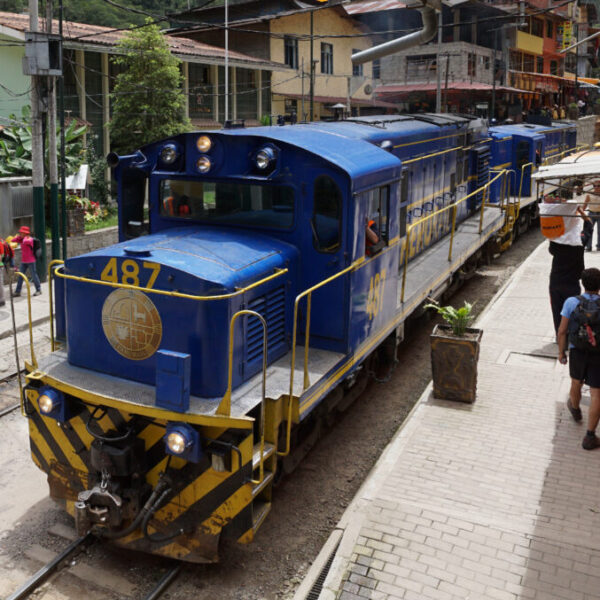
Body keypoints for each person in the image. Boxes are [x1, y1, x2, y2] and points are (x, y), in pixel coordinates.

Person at [558, 267, 600, 450]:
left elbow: (562, 330)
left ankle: (575, 410)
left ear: (582, 283)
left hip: (577, 351)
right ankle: (590, 436)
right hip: (599, 352)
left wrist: (561, 352)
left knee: (576, 382)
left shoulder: (571, 302)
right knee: (596, 393)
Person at [545, 192, 586, 334]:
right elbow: (590, 224)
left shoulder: (557, 242)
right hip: (572, 284)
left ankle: (559, 335)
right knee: (572, 312)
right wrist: (580, 211)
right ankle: (571, 335)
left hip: (556, 282)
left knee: (557, 310)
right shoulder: (580, 241)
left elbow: (550, 233)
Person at [12, 226, 41, 297]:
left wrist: (22, 238)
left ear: (25, 233)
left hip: (31, 261)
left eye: (21, 232)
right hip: (23, 261)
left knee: (34, 275)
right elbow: (13, 240)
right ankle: (17, 292)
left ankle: (38, 290)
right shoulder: (22, 239)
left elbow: (25, 241)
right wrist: (18, 237)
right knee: (20, 276)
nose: (20, 233)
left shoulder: (29, 239)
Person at [584, 180, 600, 251]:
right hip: (591, 213)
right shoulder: (589, 194)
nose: (596, 187)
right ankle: (588, 246)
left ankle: (599, 246)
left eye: (598, 186)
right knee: (588, 230)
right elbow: (584, 205)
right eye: (595, 186)